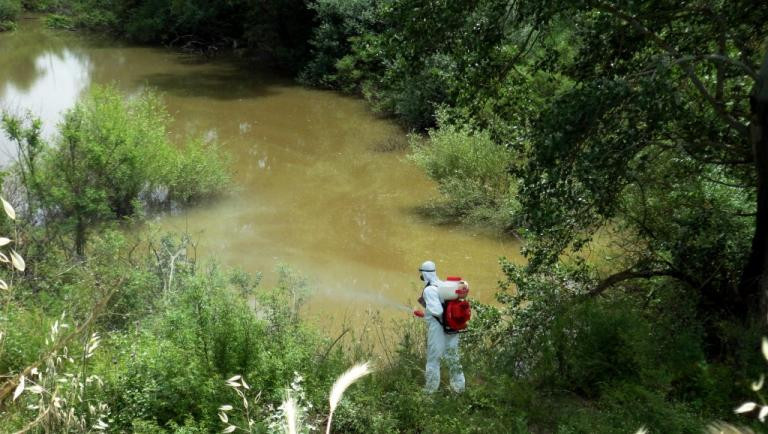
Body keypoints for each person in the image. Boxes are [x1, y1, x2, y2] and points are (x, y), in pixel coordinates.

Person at [414, 260, 465, 393]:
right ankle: (459, 389)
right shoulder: (443, 285)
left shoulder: (429, 290)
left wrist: (425, 313)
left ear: (424, 274)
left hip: (438, 328)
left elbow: (437, 311)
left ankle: (430, 390)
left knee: (433, 358)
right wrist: (425, 314)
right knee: (453, 357)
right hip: (452, 326)